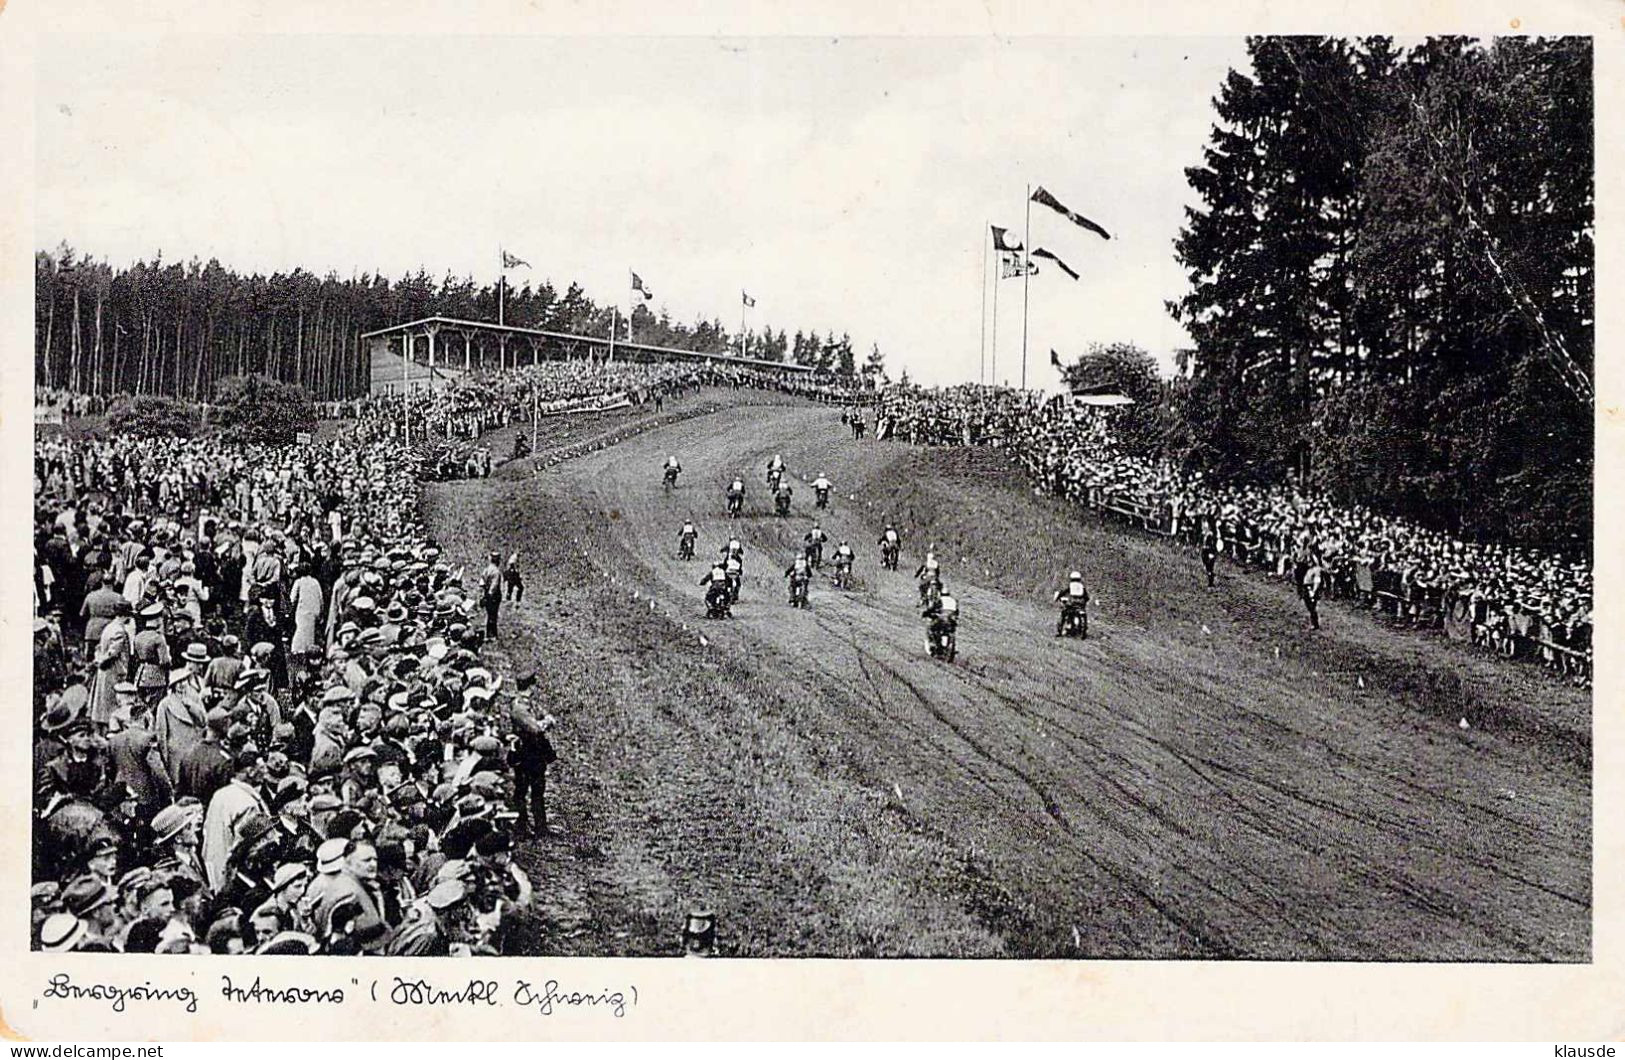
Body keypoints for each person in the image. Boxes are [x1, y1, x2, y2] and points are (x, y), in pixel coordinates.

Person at [508, 688, 556, 836]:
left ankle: (540, 826)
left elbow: (545, 718)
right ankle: (522, 825)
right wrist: (546, 722)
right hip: (526, 755)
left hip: (534, 754)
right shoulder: (519, 708)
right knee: (522, 791)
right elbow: (536, 728)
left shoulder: (529, 705)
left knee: (538, 790)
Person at [1053, 571, 1089, 638]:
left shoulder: (1070, 585)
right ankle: (1084, 632)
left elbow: (1063, 592)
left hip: (1071, 604)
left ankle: (1059, 632)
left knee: (1063, 614)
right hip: (1080, 605)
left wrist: (1058, 598)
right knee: (1084, 615)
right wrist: (1084, 602)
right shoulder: (1082, 587)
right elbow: (1087, 597)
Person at [480, 552, 503, 639]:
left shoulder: (486, 569)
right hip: (493, 596)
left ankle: (489, 633)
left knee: (489, 614)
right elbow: (494, 586)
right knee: (493, 615)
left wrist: (484, 594)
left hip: (486, 594)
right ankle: (492, 635)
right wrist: (490, 594)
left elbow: (481, 582)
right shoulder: (496, 572)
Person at [1301, 560, 1325, 630]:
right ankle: (1314, 623)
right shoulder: (1309, 569)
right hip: (1307, 588)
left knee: (1312, 607)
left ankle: (1315, 624)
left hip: (1311, 589)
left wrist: (1313, 591)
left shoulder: (1316, 570)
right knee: (1309, 606)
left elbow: (1317, 581)